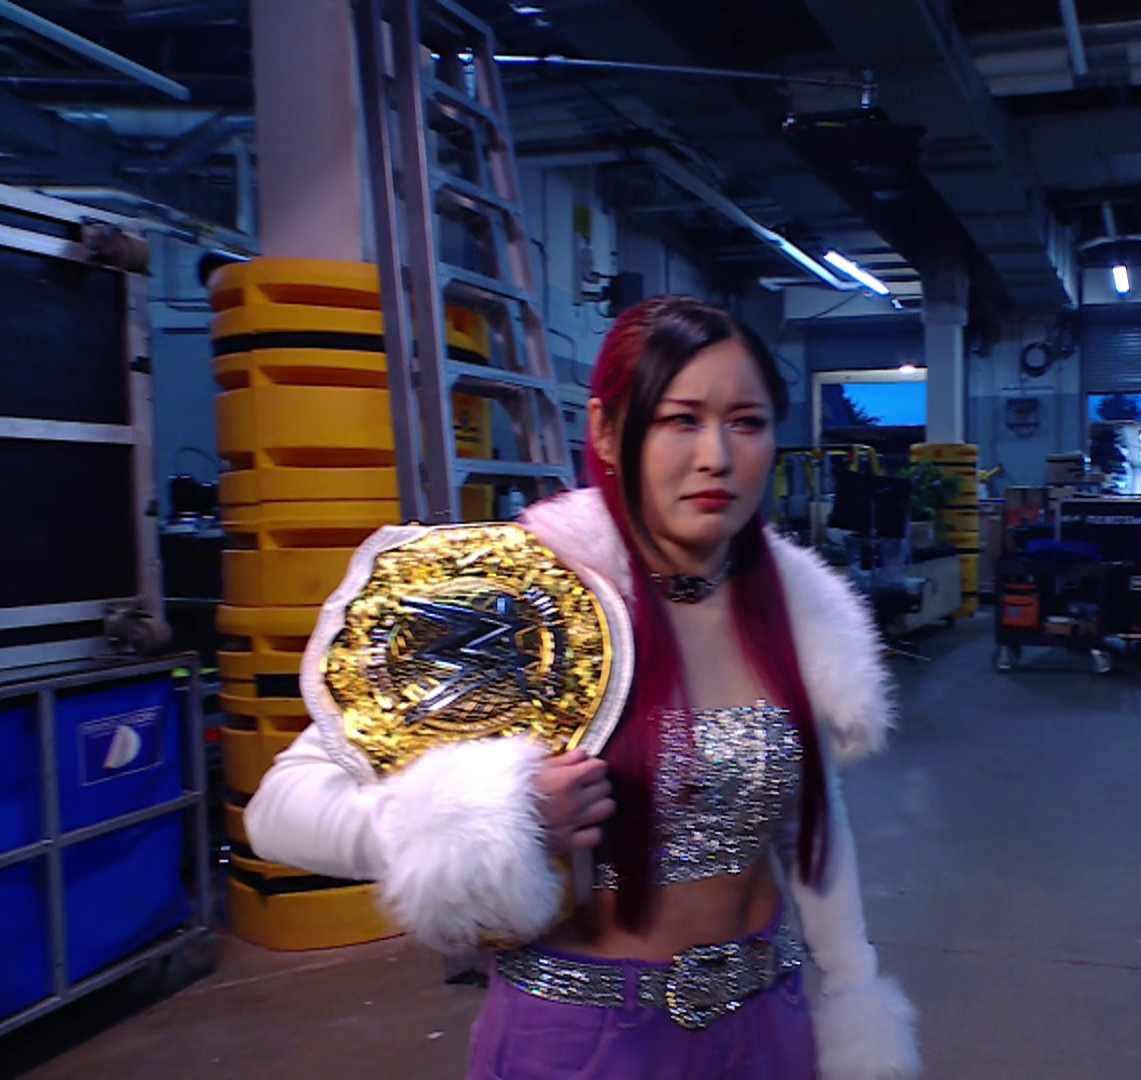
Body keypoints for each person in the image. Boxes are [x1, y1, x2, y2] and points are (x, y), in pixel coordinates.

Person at [244, 296, 920, 1080]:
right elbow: (279, 810)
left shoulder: (795, 607)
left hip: (771, 1023)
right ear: (605, 430)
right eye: (679, 420)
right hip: (583, 1039)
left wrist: (851, 987)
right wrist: (490, 815)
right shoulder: (519, 597)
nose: (716, 457)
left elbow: (809, 821)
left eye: (746, 422)